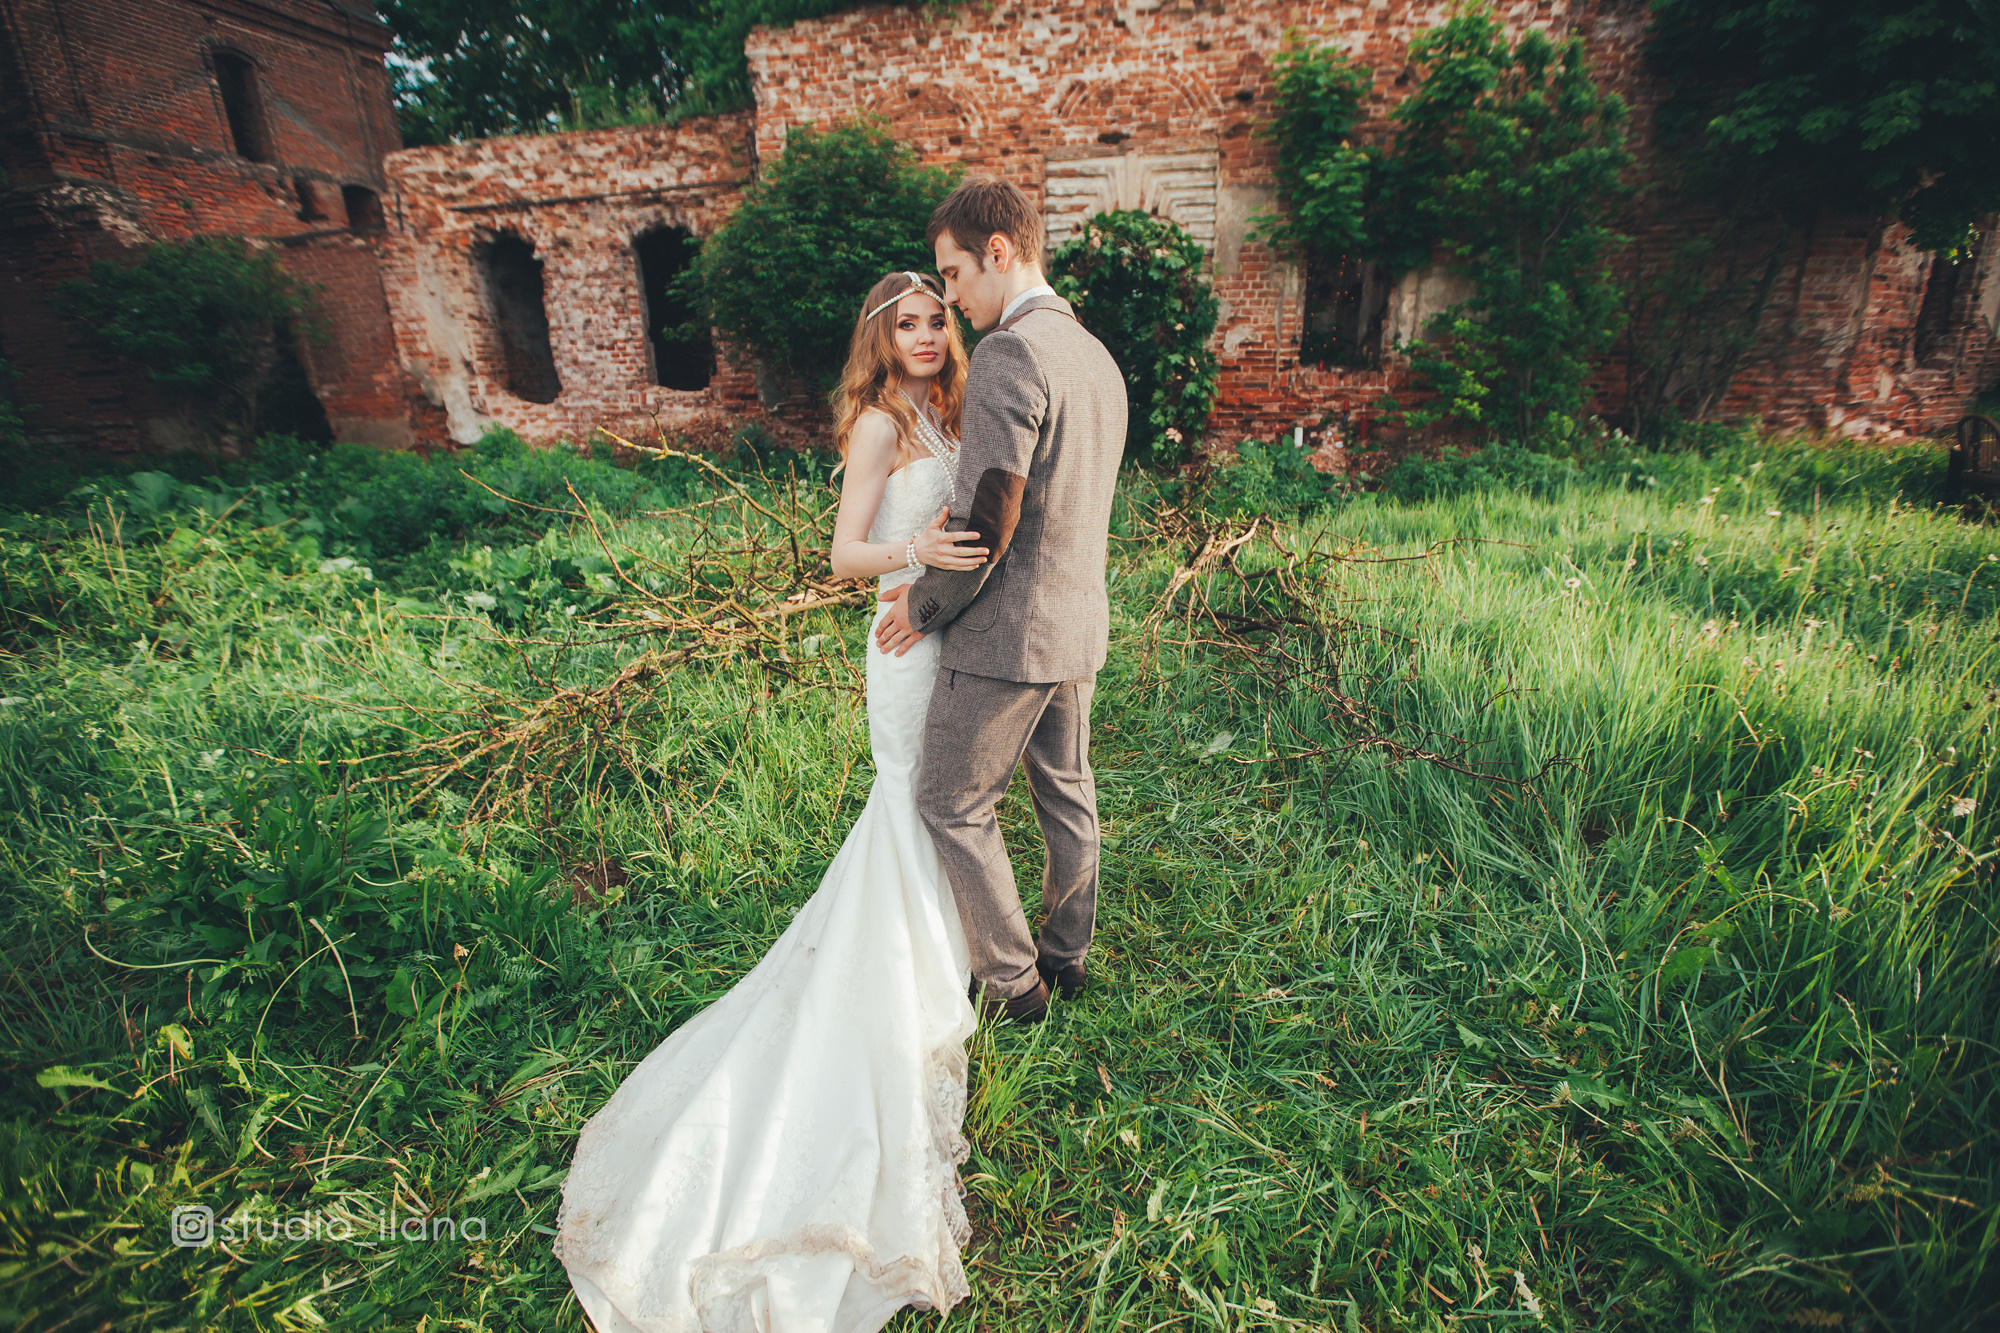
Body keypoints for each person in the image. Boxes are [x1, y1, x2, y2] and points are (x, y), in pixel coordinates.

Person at [553, 270, 992, 1332]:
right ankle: (912, 975)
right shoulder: (881, 425)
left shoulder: (955, 412)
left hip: (950, 640)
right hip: (900, 639)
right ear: (878, 342)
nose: (925, 335)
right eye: (906, 324)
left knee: (943, 809)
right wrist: (913, 556)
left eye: (936, 318)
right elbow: (842, 556)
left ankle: (942, 952)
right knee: (908, 805)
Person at [875, 177, 1128, 1026]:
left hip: (1007, 636)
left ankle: (1016, 983)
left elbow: (988, 516)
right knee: (1067, 788)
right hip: (1080, 624)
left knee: (952, 798)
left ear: (999, 253)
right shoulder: (1093, 353)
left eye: (952, 275)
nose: (948, 296)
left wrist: (923, 605)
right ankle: (1070, 952)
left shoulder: (1012, 354)